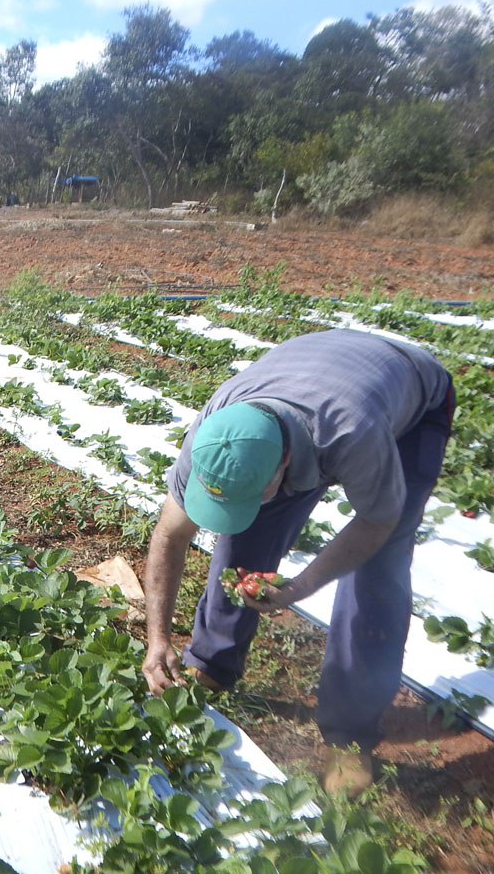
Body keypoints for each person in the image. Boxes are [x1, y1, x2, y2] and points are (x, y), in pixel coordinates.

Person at [140, 328, 454, 798]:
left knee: (379, 567)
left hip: (409, 401)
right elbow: (169, 535)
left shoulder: (353, 433)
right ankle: (211, 662)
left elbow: (375, 522)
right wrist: (157, 638)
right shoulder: (215, 436)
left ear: (286, 463)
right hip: (315, 375)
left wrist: (300, 586)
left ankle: (350, 733)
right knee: (245, 530)